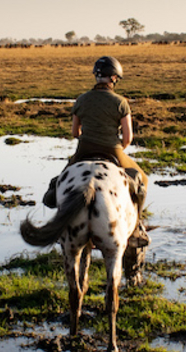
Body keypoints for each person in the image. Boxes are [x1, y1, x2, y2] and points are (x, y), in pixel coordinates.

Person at [44, 56, 150, 239]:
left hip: (84, 149)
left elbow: (75, 132)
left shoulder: (82, 100)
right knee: (143, 180)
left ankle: (62, 222)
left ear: (96, 76)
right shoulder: (120, 102)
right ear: (114, 78)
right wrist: (119, 148)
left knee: (58, 182)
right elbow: (128, 138)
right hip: (113, 150)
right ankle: (136, 229)